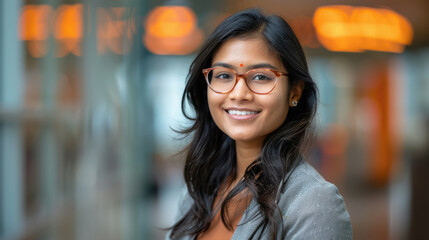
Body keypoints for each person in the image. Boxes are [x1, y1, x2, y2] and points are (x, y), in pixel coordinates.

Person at [167, 8, 352, 240]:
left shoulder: (315, 204)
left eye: (261, 77)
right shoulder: (199, 189)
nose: (239, 94)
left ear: (294, 91)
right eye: (224, 75)